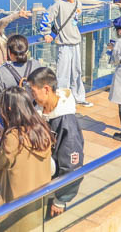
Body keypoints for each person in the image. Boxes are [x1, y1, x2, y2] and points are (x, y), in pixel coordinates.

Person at [0, 86, 53, 231]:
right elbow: (23, 153)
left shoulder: (13, 137)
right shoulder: (41, 128)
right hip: (36, 206)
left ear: (9, 108)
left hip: (14, 208)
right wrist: (5, 135)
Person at [28, 67, 85, 218]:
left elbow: (73, 166)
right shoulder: (38, 109)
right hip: (39, 182)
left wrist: (61, 199)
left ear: (46, 89)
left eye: (33, 91)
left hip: (53, 189)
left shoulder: (66, 122)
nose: (32, 96)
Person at [41, 0, 92, 107]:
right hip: (63, 44)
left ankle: (79, 97)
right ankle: (62, 101)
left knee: (77, 72)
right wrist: (46, 33)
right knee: (62, 74)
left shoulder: (78, 4)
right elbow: (46, 17)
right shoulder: (58, 4)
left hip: (75, 42)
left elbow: (74, 20)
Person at [0, 34, 42, 105]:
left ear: (9, 52)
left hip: (12, 112)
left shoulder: (2, 71)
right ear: (26, 50)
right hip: (34, 111)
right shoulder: (36, 65)